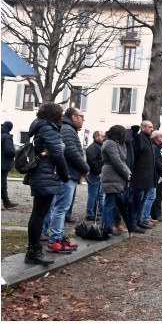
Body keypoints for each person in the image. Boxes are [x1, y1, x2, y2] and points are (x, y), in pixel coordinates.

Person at [24, 103, 69, 264]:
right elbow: (57, 153)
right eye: (60, 113)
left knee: (38, 213)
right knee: (39, 214)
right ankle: (33, 251)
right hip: (46, 175)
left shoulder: (42, 127)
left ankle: (34, 250)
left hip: (42, 174)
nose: (62, 116)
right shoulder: (48, 129)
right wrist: (65, 175)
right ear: (54, 114)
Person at [43, 107, 88, 253]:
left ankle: (59, 238)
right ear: (74, 117)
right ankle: (55, 240)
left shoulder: (68, 129)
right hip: (67, 174)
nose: (83, 119)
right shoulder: (68, 129)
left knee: (61, 208)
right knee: (60, 208)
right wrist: (85, 167)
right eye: (82, 116)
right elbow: (71, 152)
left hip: (69, 173)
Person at [100, 125, 131, 236]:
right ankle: (107, 227)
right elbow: (117, 160)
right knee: (110, 203)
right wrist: (127, 172)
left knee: (114, 203)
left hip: (116, 175)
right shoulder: (110, 143)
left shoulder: (117, 144)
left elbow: (121, 160)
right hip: (111, 175)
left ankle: (111, 225)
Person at [131, 120, 156, 230]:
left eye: (152, 127)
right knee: (137, 200)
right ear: (143, 128)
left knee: (143, 199)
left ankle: (139, 221)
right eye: (150, 127)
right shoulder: (139, 138)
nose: (152, 129)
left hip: (148, 176)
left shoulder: (148, 139)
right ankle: (133, 223)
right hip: (140, 175)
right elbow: (135, 155)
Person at [145, 131, 162, 226]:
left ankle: (150, 216)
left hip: (157, 175)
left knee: (155, 196)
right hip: (155, 175)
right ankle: (149, 216)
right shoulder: (154, 147)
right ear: (157, 137)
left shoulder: (156, 147)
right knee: (152, 197)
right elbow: (157, 162)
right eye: (161, 136)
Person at [85, 131, 105, 221]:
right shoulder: (93, 148)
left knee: (100, 196)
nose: (103, 137)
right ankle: (90, 213)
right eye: (101, 136)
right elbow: (92, 161)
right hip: (95, 175)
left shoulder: (99, 146)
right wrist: (97, 172)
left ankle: (101, 212)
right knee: (92, 195)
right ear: (96, 137)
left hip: (99, 174)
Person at [1, 121, 19, 209]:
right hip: (3, 164)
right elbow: (8, 151)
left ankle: (6, 202)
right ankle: (6, 202)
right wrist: (15, 152)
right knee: (2, 184)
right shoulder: (7, 137)